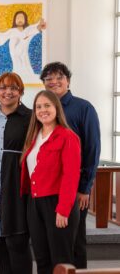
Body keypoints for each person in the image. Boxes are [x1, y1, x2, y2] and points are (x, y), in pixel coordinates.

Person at [40, 62, 101, 269]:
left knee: (74, 240)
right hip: (49, 189)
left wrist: (84, 188)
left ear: (68, 80)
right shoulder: (42, 110)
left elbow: (92, 149)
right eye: (48, 79)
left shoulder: (83, 108)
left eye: (59, 77)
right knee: (54, 240)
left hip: (74, 187)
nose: (54, 82)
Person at [20, 90, 81, 274]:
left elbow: (71, 176)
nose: (42, 110)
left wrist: (63, 209)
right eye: (38, 107)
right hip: (35, 203)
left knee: (61, 260)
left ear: (57, 108)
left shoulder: (67, 137)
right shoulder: (34, 135)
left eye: (47, 105)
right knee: (41, 257)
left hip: (57, 203)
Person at [0, 72, 32, 274]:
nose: (7, 92)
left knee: (17, 241)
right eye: (2, 88)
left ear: (20, 92)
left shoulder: (30, 117)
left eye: (13, 88)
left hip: (17, 184)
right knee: (0, 241)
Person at [0, 10, 46, 78]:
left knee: (25, 63)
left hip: (23, 51)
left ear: (25, 19)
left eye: (22, 18)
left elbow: (34, 28)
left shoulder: (27, 30)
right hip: (15, 51)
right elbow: (3, 36)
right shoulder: (12, 31)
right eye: (18, 18)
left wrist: (39, 26)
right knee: (17, 64)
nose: (20, 20)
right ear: (14, 20)